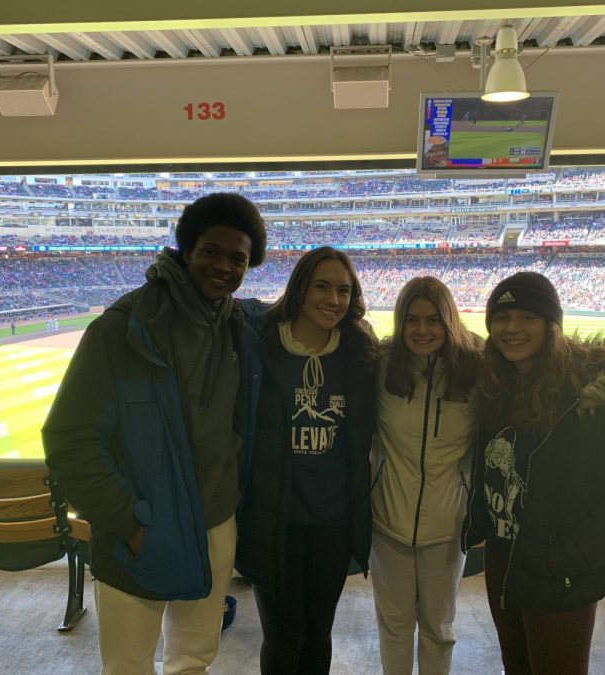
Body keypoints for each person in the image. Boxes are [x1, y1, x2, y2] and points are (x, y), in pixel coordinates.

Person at [42, 192, 267, 675]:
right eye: (212, 251)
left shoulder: (242, 329)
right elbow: (68, 437)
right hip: (140, 529)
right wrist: (130, 524)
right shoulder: (122, 328)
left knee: (194, 660)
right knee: (127, 665)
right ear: (187, 251)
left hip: (215, 523)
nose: (224, 266)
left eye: (238, 258)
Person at [465, 271, 605, 675]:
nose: (512, 328)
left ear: (552, 325)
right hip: (504, 559)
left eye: (527, 316)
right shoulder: (494, 386)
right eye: (501, 318)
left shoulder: (592, 395)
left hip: (559, 572)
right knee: (515, 666)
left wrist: (567, 557)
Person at [235, 246, 377, 675]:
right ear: (300, 288)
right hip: (275, 522)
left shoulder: (358, 353)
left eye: (343, 290)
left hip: (333, 525)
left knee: (318, 635)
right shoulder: (260, 345)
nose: (333, 299)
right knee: (283, 638)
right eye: (322, 286)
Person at [369, 276, 483, 675]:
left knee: (438, 629)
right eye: (412, 320)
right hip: (387, 525)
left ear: (449, 320)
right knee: (394, 628)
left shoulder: (476, 370)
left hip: (447, 529)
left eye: (433, 320)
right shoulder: (382, 366)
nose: (422, 330)